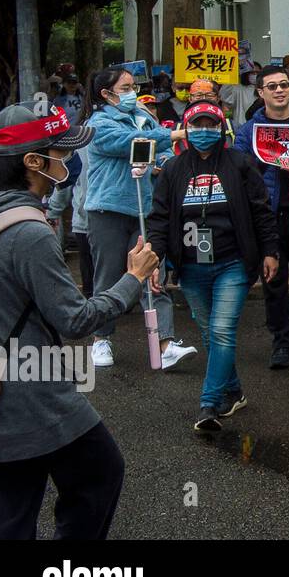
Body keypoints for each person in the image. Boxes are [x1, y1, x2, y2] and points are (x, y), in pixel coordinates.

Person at [0, 101, 162, 539]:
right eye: (60, 154)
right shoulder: (28, 232)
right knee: (99, 473)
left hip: (6, 391)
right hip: (31, 396)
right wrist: (132, 278)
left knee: (12, 509)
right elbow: (74, 319)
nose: (68, 162)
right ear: (33, 162)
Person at [146, 103, 280, 432]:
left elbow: (262, 211)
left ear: (221, 128)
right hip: (190, 266)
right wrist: (155, 259)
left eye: (210, 124)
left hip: (233, 262)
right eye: (197, 124)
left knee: (221, 331)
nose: (203, 130)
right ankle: (233, 391)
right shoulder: (174, 169)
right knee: (210, 334)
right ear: (186, 128)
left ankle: (209, 404)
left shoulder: (240, 164)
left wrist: (270, 251)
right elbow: (160, 219)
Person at [82, 67, 197, 370]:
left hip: (144, 209)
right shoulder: (99, 123)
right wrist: (173, 133)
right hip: (108, 210)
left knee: (152, 273)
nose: (132, 92)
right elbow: (132, 143)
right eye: (125, 88)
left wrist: (164, 162)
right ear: (106, 94)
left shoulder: (144, 118)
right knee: (108, 277)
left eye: (133, 86)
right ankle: (101, 338)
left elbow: (156, 153)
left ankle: (165, 343)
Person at [235, 65, 289, 368]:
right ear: (261, 92)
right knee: (274, 282)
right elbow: (239, 174)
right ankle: (282, 342)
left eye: (283, 85)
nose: (279, 90)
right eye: (271, 86)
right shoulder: (249, 131)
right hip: (268, 218)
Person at [47, 143, 93, 297]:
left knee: (92, 275)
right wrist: (52, 212)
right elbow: (65, 181)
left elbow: (64, 183)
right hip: (85, 220)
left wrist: (51, 213)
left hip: (87, 218)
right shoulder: (81, 145)